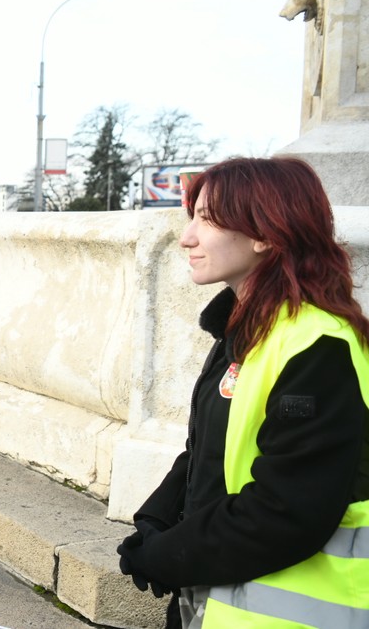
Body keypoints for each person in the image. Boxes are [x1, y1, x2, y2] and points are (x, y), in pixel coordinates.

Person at [116, 157, 369, 628]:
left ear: (266, 234)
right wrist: (156, 522)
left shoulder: (319, 347)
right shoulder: (247, 331)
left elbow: (287, 509)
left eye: (207, 219)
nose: (187, 237)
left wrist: (169, 556)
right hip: (220, 598)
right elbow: (207, 453)